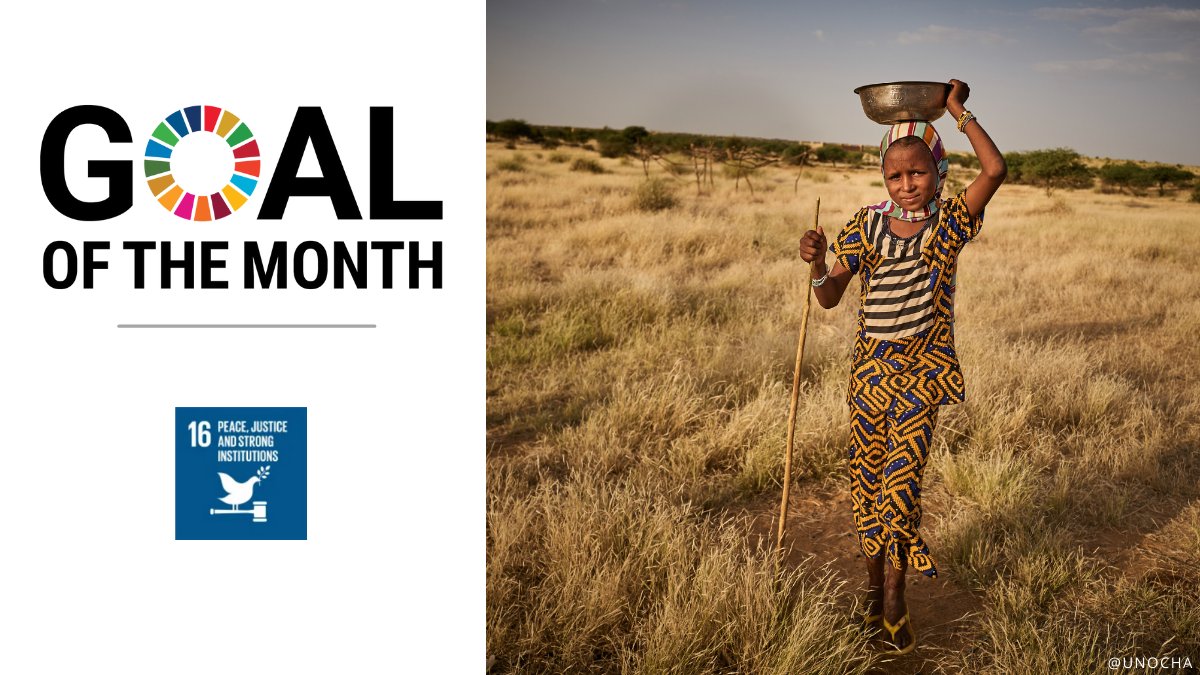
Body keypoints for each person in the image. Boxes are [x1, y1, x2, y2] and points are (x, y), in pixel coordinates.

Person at [798, 78, 1006, 655]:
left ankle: (894, 598)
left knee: (901, 485)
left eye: (918, 173)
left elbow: (994, 170)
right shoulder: (864, 225)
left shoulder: (949, 226)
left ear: (938, 173)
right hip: (868, 375)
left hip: (922, 373)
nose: (907, 184)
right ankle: (871, 594)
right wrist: (818, 265)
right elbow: (829, 297)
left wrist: (959, 113)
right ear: (883, 179)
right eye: (895, 175)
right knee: (867, 484)